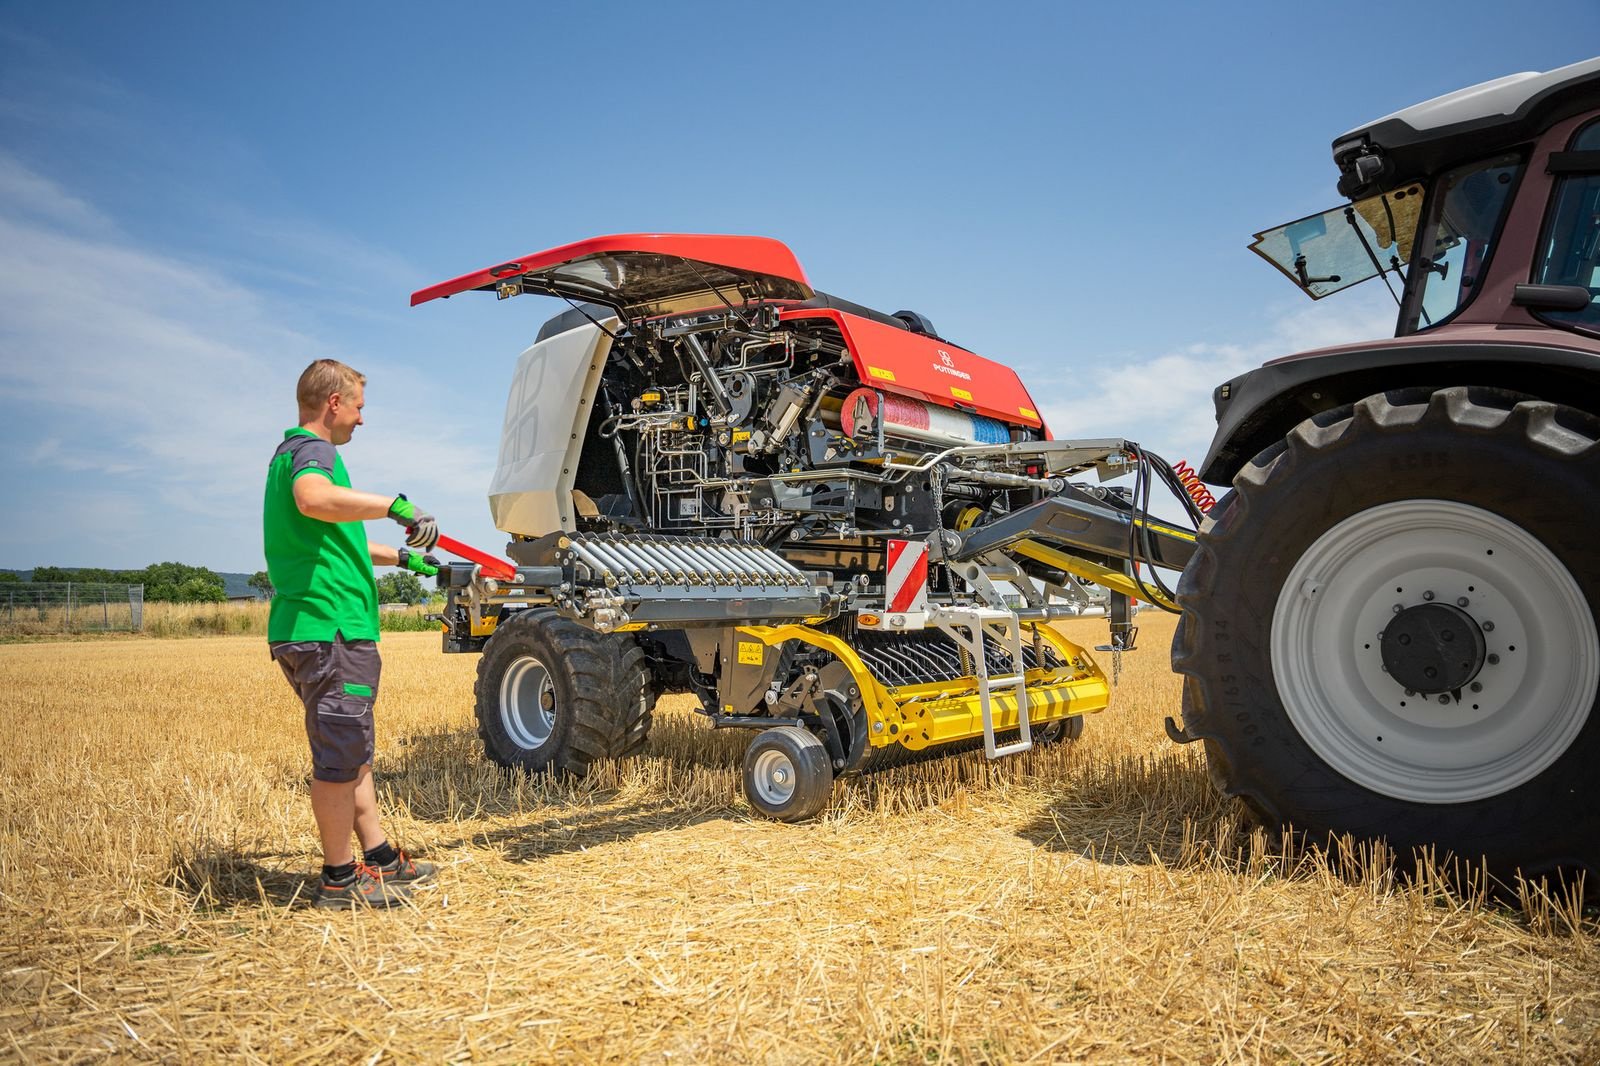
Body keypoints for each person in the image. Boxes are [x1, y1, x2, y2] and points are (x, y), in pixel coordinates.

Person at [263, 358, 442, 909]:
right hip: (330, 628)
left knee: (353, 750)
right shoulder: (313, 454)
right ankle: (339, 878)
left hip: (314, 626)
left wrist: (405, 560)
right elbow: (313, 500)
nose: (362, 419)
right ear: (334, 402)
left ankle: (378, 856)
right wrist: (394, 506)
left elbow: (341, 542)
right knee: (340, 759)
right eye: (359, 407)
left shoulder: (291, 455)